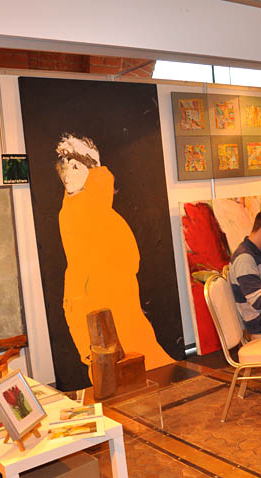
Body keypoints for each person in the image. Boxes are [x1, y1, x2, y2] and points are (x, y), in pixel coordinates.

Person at [55, 133, 173, 375]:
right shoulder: (71, 215)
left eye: (75, 165)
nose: (67, 173)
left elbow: (125, 267)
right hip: (97, 319)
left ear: (91, 170)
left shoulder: (103, 219)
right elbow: (77, 277)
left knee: (140, 371)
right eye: (63, 165)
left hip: (117, 316)